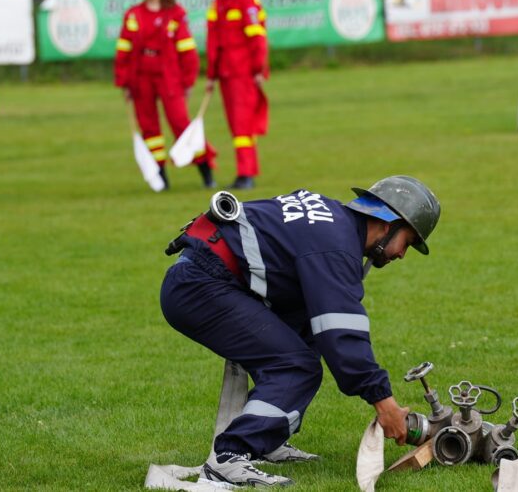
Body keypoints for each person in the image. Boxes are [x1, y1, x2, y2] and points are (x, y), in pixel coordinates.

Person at [159, 175, 441, 487]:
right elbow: (342, 334)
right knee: (296, 366)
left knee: (306, 337)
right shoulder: (335, 246)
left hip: (205, 274)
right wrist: (383, 401)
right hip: (199, 286)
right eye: (408, 242)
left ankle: (265, 441)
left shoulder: (334, 221)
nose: (402, 254)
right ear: (388, 224)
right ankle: (229, 458)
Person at [115, 0, 215, 190]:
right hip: (141, 78)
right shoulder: (133, 15)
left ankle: (206, 170)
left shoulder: (175, 13)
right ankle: (160, 176)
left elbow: (187, 50)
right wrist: (124, 81)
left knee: (181, 124)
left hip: (169, 77)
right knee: (149, 128)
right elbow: (124, 50)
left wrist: (188, 80)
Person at [205, 0, 269, 191]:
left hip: (244, 73)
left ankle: (246, 174)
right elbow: (213, 42)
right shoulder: (218, 3)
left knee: (243, 124)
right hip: (225, 74)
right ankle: (245, 172)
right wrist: (211, 74)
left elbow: (257, 38)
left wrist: (258, 69)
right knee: (236, 125)